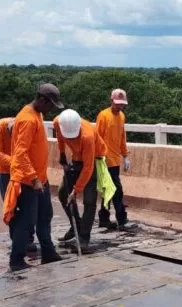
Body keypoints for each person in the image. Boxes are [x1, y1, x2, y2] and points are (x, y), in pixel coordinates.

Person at [2, 83, 63, 271]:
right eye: (50, 105)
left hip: (40, 179)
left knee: (45, 216)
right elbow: (20, 153)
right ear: (42, 100)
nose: (51, 109)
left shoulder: (37, 114)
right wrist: (34, 178)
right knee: (26, 222)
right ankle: (16, 260)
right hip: (28, 181)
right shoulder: (27, 120)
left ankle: (48, 252)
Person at [53, 109, 107, 252]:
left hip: (95, 159)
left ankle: (83, 238)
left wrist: (76, 190)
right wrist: (63, 152)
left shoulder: (87, 136)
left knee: (89, 200)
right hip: (76, 158)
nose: (70, 139)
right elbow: (59, 136)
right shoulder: (58, 122)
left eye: (73, 137)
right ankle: (75, 224)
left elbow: (88, 168)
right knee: (63, 192)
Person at [0, 116, 36, 253]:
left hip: (22, 171)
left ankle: (28, 239)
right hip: (5, 172)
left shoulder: (25, 127)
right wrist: (15, 162)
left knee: (27, 206)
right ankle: (16, 239)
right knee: (11, 206)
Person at [95, 89, 130, 230]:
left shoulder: (121, 116)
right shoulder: (103, 115)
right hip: (104, 159)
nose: (119, 107)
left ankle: (104, 217)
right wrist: (98, 156)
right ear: (111, 101)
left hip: (115, 160)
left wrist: (125, 155)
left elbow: (122, 137)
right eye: (117, 104)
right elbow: (97, 137)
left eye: (121, 104)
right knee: (116, 190)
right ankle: (121, 218)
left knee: (108, 191)